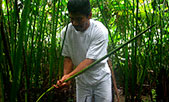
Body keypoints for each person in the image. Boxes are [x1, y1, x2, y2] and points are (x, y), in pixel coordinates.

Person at [55, 0, 112, 102]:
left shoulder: (99, 31)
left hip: (101, 78)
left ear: (89, 15)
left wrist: (69, 76)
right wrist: (65, 79)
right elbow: (68, 58)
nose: (75, 23)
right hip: (82, 79)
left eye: (79, 19)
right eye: (72, 19)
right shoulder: (66, 32)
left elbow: (89, 61)